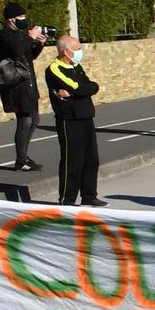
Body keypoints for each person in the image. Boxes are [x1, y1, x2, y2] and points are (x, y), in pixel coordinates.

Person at [45, 35, 104, 209]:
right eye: (77, 49)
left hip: (86, 116)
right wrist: (78, 91)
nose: (80, 52)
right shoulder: (55, 69)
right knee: (72, 161)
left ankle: (89, 196)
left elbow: (92, 86)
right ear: (66, 51)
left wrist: (74, 93)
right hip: (69, 119)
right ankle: (67, 199)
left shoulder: (76, 66)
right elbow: (77, 87)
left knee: (91, 160)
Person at [0, 2, 45, 172]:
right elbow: (15, 50)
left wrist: (39, 44)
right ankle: (21, 160)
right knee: (25, 120)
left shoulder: (20, 35)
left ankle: (24, 156)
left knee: (34, 119)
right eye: (20, 17)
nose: (24, 19)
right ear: (11, 19)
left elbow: (29, 55)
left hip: (28, 83)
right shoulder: (5, 35)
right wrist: (30, 37)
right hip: (16, 85)